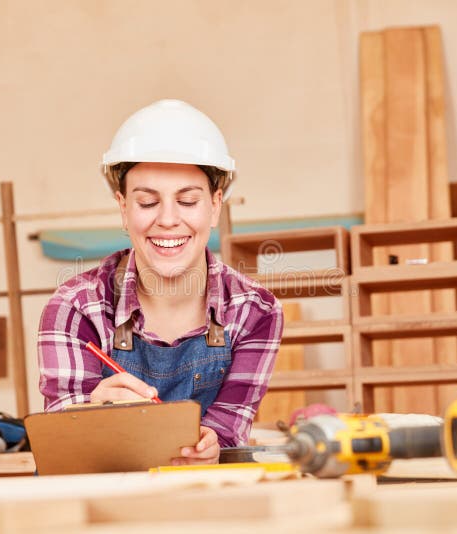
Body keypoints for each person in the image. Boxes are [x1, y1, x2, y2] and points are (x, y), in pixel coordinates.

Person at [37, 99, 283, 465]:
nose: (168, 220)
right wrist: (88, 415)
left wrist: (208, 446)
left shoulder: (254, 312)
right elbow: (61, 451)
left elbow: (229, 432)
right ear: (123, 208)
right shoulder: (74, 308)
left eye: (187, 201)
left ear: (215, 206)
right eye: (148, 202)